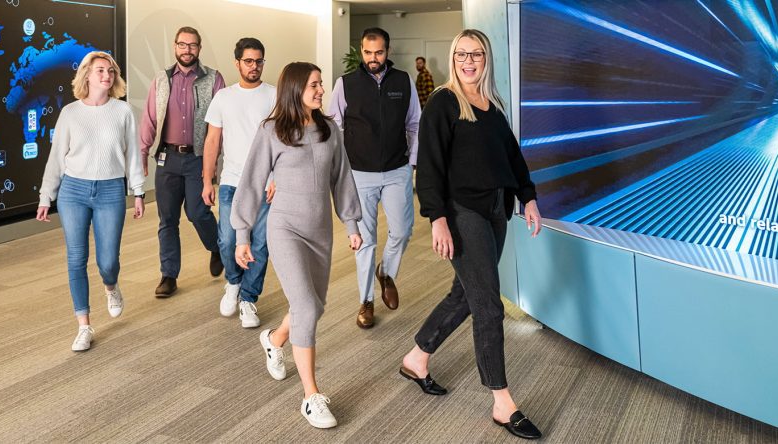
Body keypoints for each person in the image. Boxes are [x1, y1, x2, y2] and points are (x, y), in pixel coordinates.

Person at [399, 29, 544, 440]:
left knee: (464, 294)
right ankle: (502, 401)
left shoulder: (492, 104)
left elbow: (512, 157)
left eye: (476, 54)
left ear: (486, 59)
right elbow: (428, 166)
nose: (468, 61)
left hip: (497, 210)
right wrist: (437, 218)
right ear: (453, 57)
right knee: (488, 306)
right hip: (463, 213)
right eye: (461, 54)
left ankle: (416, 358)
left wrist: (528, 197)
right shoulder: (444, 103)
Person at [232, 62, 362, 429]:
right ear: (294, 90)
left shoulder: (329, 129)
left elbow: (342, 178)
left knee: (314, 307)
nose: (321, 90)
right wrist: (243, 234)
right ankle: (310, 396)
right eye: (315, 85)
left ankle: (274, 339)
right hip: (285, 229)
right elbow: (252, 183)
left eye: (321, 84)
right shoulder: (272, 131)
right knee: (305, 304)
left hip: (320, 233)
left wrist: (352, 223)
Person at [37, 51, 145, 352]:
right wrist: (47, 195)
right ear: (87, 75)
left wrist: (138, 191)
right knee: (76, 258)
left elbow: (133, 155)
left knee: (108, 262)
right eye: (100, 71)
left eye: (111, 71)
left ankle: (111, 287)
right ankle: (84, 325)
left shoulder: (122, 112)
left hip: (111, 189)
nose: (106, 76)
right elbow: (56, 158)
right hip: (73, 191)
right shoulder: (70, 113)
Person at [328, 27, 420, 329]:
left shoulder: (403, 81)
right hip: (359, 174)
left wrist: (413, 163)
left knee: (402, 231)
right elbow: (333, 128)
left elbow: (415, 124)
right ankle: (366, 301)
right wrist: (340, 169)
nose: (372, 58)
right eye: (367, 53)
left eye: (378, 52)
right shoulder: (345, 84)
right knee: (365, 241)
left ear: (387, 51)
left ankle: (386, 272)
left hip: (397, 170)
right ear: (361, 51)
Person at [139, 26, 225, 298]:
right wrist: (142, 152)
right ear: (175, 47)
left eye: (193, 45)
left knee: (198, 212)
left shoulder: (214, 79)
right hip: (168, 159)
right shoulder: (161, 80)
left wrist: (217, 163)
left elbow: (222, 123)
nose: (187, 50)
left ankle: (217, 247)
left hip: (199, 159)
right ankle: (168, 275)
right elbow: (150, 119)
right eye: (182, 45)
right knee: (168, 219)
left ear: (199, 48)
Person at [200, 37, 276, 328]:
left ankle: (248, 299)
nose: (254, 66)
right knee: (228, 240)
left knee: (260, 244)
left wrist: (277, 177)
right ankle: (233, 281)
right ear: (237, 63)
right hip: (232, 182)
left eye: (259, 61)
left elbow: (285, 141)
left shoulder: (274, 95)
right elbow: (212, 141)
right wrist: (208, 180)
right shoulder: (224, 97)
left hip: (265, 184)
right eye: (248, 61)